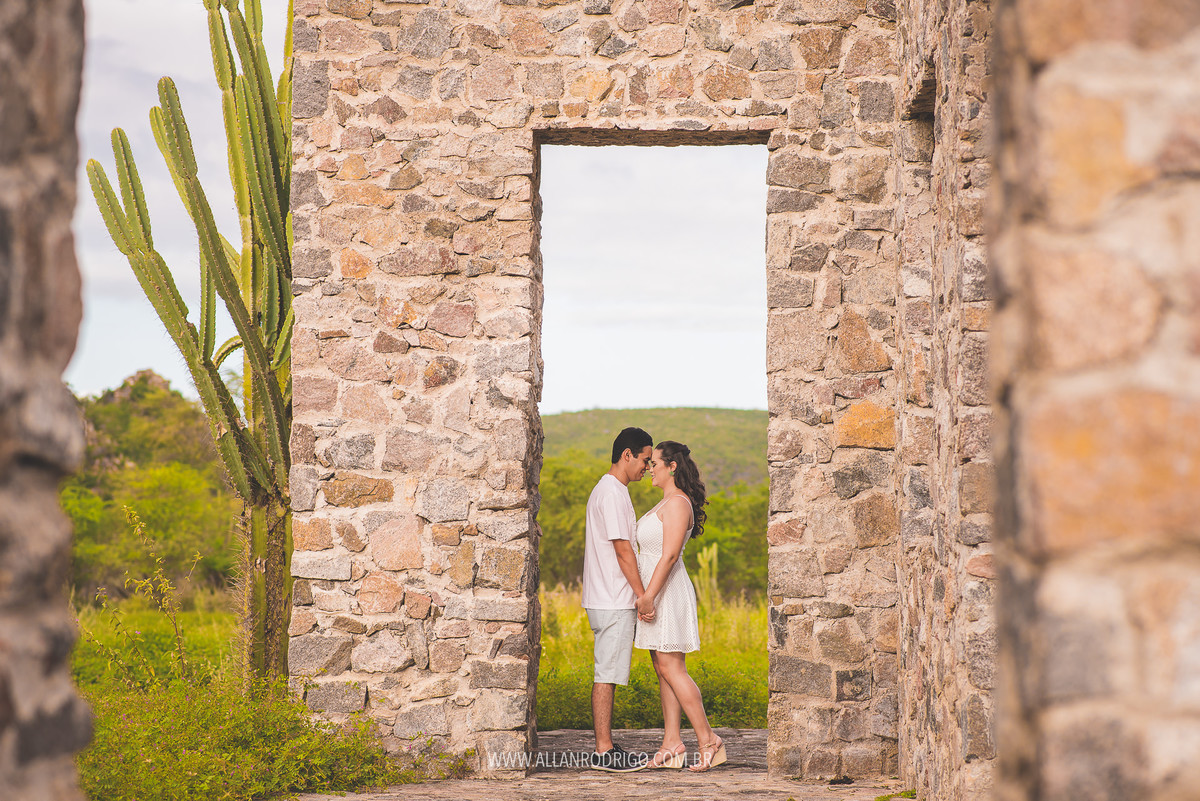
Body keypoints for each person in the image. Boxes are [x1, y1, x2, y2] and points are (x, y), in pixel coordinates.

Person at [634, 440, 727, 772]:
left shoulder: (677, 503)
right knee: (663, 669)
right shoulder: (666, 501)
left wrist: (649, 596)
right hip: (655, 592)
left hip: (667, 592)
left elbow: (670, 554)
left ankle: (708, 739)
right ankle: (671, 743)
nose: (650, 469)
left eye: (655, 464)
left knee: (673, 668)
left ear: (672, 466)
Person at [582, 426, 654, 772]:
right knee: (606, 674)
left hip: (608, 597)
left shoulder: (613, 490)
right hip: (612, 598)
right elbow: (623, 550)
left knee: (608, 672)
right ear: (627, 455)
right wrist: (643, 596)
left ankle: (606, 745)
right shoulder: (611, 493)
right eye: (645, 459)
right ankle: (603, 752)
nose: (647, 467)